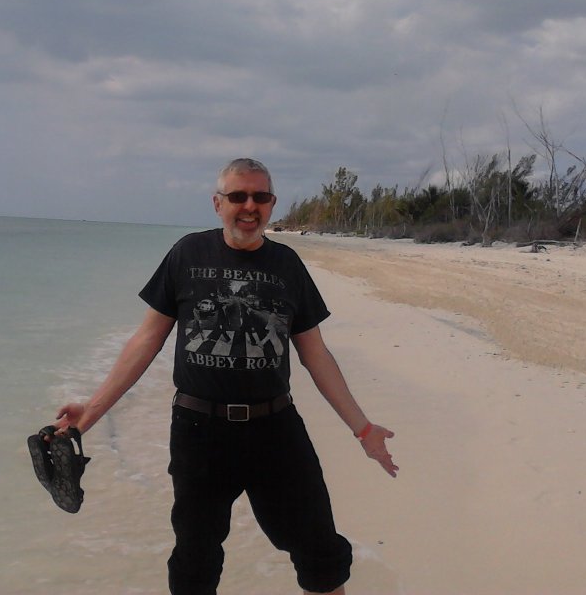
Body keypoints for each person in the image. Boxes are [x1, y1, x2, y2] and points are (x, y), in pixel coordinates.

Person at [54, 158, 398, 595]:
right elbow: (147, 340)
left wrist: (363, 429)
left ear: (271, 204)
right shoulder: (187, 253)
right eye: (238, 196)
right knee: (194, 561)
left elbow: (316, 354)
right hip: (199, 431)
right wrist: (91, 411)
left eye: (260, 197)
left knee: (321, 554)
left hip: (276, 430)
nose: (249, 206)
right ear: (218, 204)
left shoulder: (287, 265)